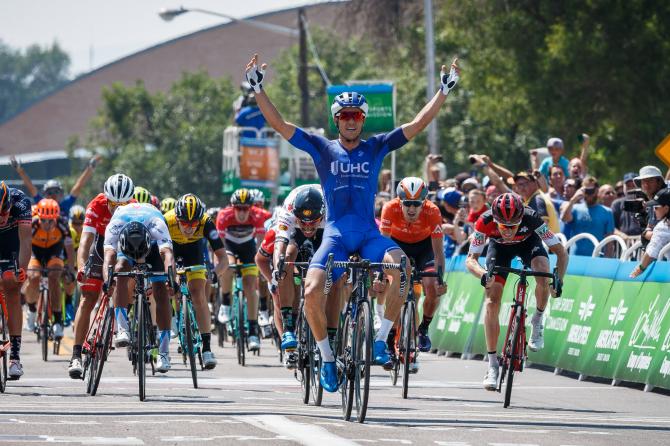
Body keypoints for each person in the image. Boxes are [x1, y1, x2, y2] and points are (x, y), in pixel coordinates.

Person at [246, 52, 460, 392]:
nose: (350, 120)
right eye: (344, 115)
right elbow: (281, 125)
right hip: (335, 236)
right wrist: (258, 89)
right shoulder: (321, 148)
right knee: (313, 291)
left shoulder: (376, 147)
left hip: (368, 233)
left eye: (356, 115)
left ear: (362, 119)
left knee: (401, 268)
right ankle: (327, 358)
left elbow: (417, 125)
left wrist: (444, 90)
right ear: (337, 119)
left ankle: (379, 339)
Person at [465, 193, 567, 390]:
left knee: (543, 272)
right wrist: (483, 274)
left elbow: (561, 252)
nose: (508, 230)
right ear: (495, 220)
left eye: (513, 226)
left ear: (521, 218)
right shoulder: (484, 221)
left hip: (528, 244)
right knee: (492, 301)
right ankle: (492, 365)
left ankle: (537, 319)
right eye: (503, 226)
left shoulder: (532, 218)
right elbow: (470, 259)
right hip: (499, 250)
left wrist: (558, 280)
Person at [68, 174, 135, 379]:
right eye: (114, 204)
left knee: (129, 280)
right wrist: (81, 267)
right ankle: (76, 355)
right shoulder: (96, 205)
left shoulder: (135, 207)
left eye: (122, 204)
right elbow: (85, 241)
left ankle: (121, 319)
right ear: (106, 199)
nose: (117, 209)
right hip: (99, 248)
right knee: (88, 298)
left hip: (123, 248)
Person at [380, 178, 446, 367]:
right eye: (407, 203)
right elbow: (382, 246)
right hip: (396, 245)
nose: (411, 209)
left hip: (424, 248)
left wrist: (440, 279)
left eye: (416, 204)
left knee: (432, 287)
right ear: (399, 201)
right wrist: (381, 275)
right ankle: (390, 338)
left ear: (423, 202)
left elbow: (439, 252)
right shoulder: (389, 208)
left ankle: (423, 328)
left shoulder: (432, 211)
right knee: (395, 287)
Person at [102, 203, 175, 372]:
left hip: (153, 249)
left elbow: (168, 254)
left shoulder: (157, 224)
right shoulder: (115, 225)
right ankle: (122, 328)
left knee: (161, 291)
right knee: (119, 270)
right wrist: (108, 281)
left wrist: (171, 279)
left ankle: (163, 352)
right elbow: (108, 258)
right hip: (125, 249)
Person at [164, 194, 229, 369]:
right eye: (184, 223)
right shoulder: (166, 220)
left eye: (194, 224)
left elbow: (223, 258)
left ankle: (207, 349)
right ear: (177, 218)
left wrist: (215, 273)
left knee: (198, 294)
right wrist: (168, 278)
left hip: (194, 252)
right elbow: (160, 254)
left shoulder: (206, 222)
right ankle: (174, 322)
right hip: (172, 251)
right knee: (171, 284)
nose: (189, 228)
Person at [216, 188, 267, 351]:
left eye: (246, 208)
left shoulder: (258, 216)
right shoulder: (224, 215)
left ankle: (253, 332)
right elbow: (220, 247)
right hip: (229, 245)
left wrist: (260, 265)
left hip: (248, 247)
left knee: (251, 287)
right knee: (228, 266)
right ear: (233, 207)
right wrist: (220, 264)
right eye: (239, 208)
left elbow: (260, 244)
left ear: (251, 208)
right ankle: (225, 302)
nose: (243, 212)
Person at [24, 199, 75, 342]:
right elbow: (25, 246)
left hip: (54, 251)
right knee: (33, 277)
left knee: (54, 277)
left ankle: (58, 321)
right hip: (35, 251)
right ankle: (32, 309)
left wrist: (71, 269)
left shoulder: (63, 224)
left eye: (51, 221)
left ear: (56, 218)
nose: (47, 224)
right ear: (39, 217)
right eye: (44, 221)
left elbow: (70, 250)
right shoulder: (32, 224)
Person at [0, 181, 32, 379]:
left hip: (13, 244)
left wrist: (22, 270)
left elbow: (26, 241)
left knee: (12, 287)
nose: (2, 218)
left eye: (4, 211)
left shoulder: (21, 202)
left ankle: (15, 357)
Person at [10, 154, 101, 216]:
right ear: (45, 194)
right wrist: (19, 170)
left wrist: (90, 168)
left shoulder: (65, 204)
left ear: (61, 194)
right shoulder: (41, 203)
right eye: (50, 192)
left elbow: (78, 187)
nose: (53, 194)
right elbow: (31, 187)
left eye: (56, 191)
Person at [561, 176, 615, 256]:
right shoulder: (575, 208)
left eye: (591, 191)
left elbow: (609, 242)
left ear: (597, 190)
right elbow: (564, 218)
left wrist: (607, 261)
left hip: (596, 259)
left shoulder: (607, 212)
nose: (589, 194)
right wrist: (573, 199)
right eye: (587, 190)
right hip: (575, 257)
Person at [630, 189, 670, 278]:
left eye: (656, 207)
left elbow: (651, 253)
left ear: (666, 208)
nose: (654, 210)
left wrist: (639, 269)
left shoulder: (663, 226)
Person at [635, 166, 668, 246]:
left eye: (650, 181)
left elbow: (661, 236)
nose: (646, 185)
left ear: (659, 182)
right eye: (643, 181)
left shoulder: (666, 197)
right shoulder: (652, 202)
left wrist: (644, 233)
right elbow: (650, 228)